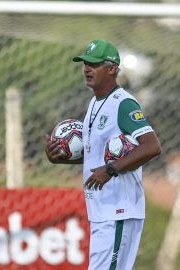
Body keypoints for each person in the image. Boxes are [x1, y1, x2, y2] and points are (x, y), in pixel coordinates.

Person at [44, 39, 162, 270]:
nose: (87, 68)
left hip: (118, 209)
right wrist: (58, 156)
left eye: (95, 64)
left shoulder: (123, 103)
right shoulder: (94, 104)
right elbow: (94, 156)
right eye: (85, 63)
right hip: (102, 210)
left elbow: (151, 146)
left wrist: (111, 170)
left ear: (112, 69)